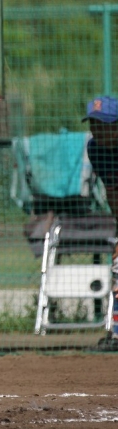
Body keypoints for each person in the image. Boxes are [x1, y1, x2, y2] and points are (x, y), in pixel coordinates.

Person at [83, 95, 118, 346]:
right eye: (93, 123)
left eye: (102, 123)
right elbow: (112, 191)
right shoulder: (95, 149)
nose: (96, 129)